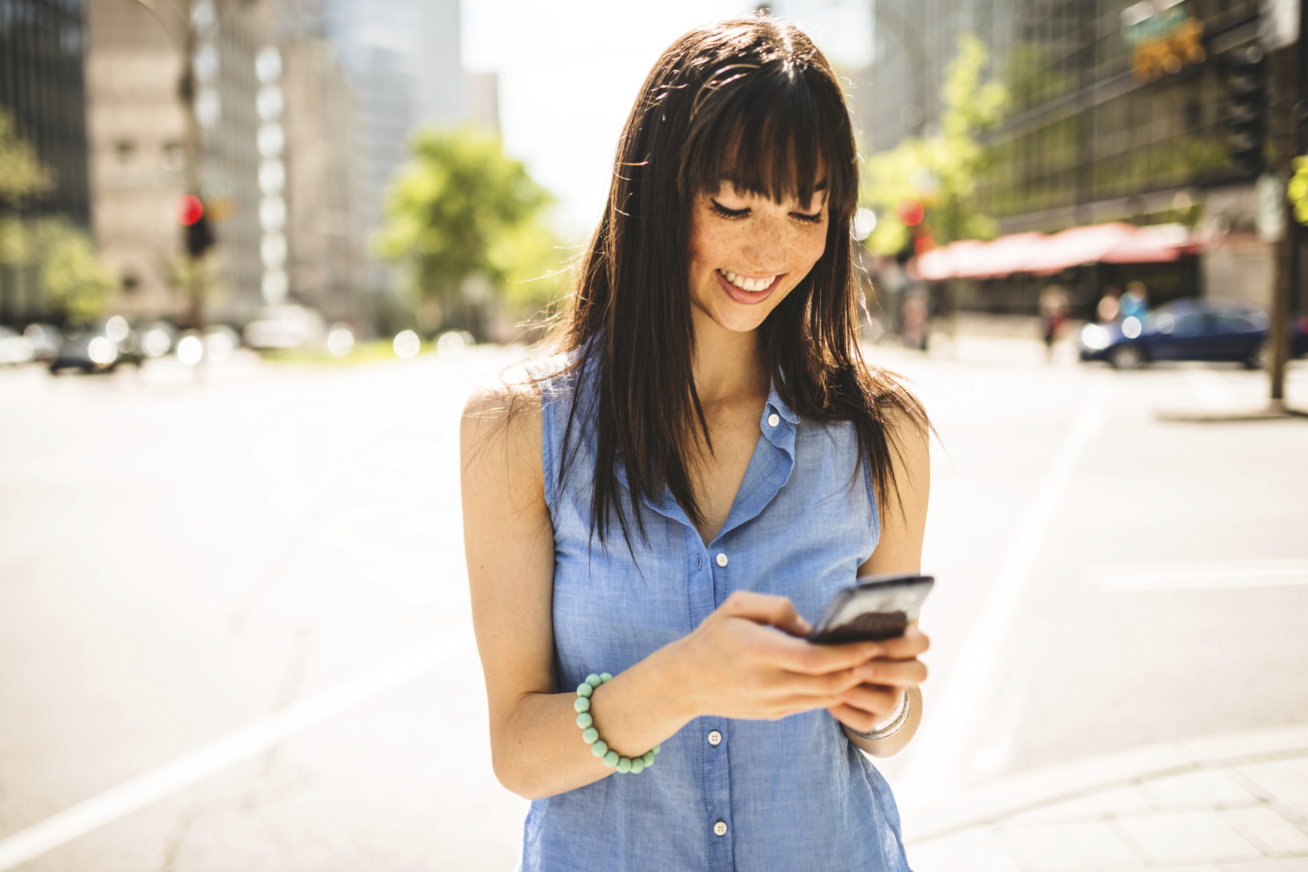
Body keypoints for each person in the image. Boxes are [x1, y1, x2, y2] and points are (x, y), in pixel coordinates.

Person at [460, 17, 931, 871]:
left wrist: (879, 704)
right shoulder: (517, 428)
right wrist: (681, 683)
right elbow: (517, 749)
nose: (770, 250)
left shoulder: (882, 431)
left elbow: (891, 732)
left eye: (806, 211)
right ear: (656, 195)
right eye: (732, 204)